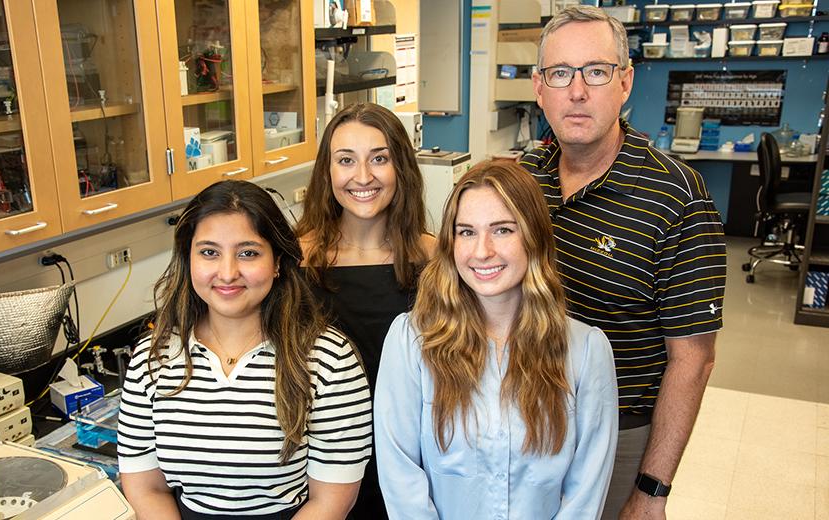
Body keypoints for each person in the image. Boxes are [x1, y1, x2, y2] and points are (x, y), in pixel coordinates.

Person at [520, 6, 727, 519]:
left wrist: (651, 490)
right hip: (524, 420)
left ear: (626, 81)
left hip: (620, 434)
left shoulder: (677, 195)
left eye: (596, 71)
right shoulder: (527, 176)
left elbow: (693, 358)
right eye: (560, 73)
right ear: (539, 87)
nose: (577, 91)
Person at [374, 160, 618, 519]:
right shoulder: (411, 343)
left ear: (533, 237)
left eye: (502, 230)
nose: (482, 251)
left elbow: (585, 494)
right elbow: (401, 478)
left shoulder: (585, 351)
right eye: (467, 232)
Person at [117, 180, 372, 520]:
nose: (227, 273)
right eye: (209, 252)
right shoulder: (154, 355)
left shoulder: (330, 358)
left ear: (278, 261)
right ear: (188, 257)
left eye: (248, 253)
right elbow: (144, 486)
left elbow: (331, 500)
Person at [297, 102, 435, 518]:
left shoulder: (435, 260)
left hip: (413, 463)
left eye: (379, 158)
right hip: (318, 469)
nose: (363, 176)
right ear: (327, 172)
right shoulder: (294, 262)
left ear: (402, 169)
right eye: (346, 160)